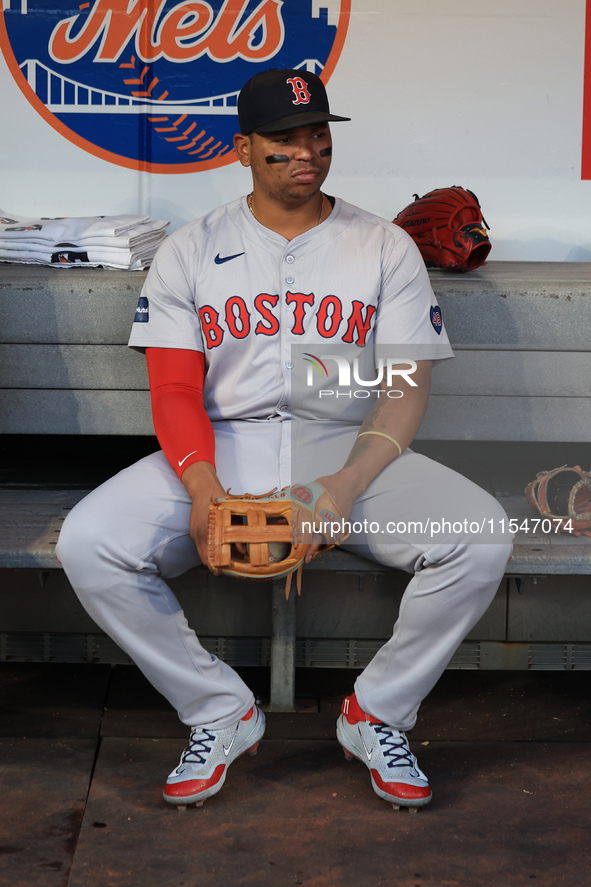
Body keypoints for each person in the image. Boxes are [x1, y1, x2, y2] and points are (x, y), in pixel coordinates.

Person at [56, 68, 512, 811]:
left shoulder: (381, 246)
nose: (306, 152)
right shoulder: (192, 248)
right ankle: (217, 709)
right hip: (223, 443)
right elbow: (173, 389)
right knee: (91, 541)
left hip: (345, 445)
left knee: (480, 536)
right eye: (283, 140)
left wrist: (345, 485)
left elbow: (401, 389)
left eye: (317, 135)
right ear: (242, 148)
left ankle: (377, 713)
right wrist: (201, 487)